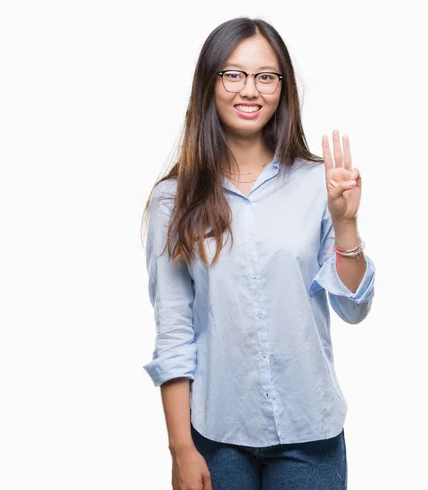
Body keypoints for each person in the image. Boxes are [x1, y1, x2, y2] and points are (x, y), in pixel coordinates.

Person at [140, 16, 376, 490]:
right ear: (210, 83)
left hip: (311, 435)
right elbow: (174, 331)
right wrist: (180, 447)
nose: (250, 90)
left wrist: (346, 222)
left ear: (282, 88)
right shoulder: (174, 199)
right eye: (234, 74)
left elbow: (353, 307)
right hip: (217, 436)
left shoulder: (318, 183)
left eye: (266, 76)